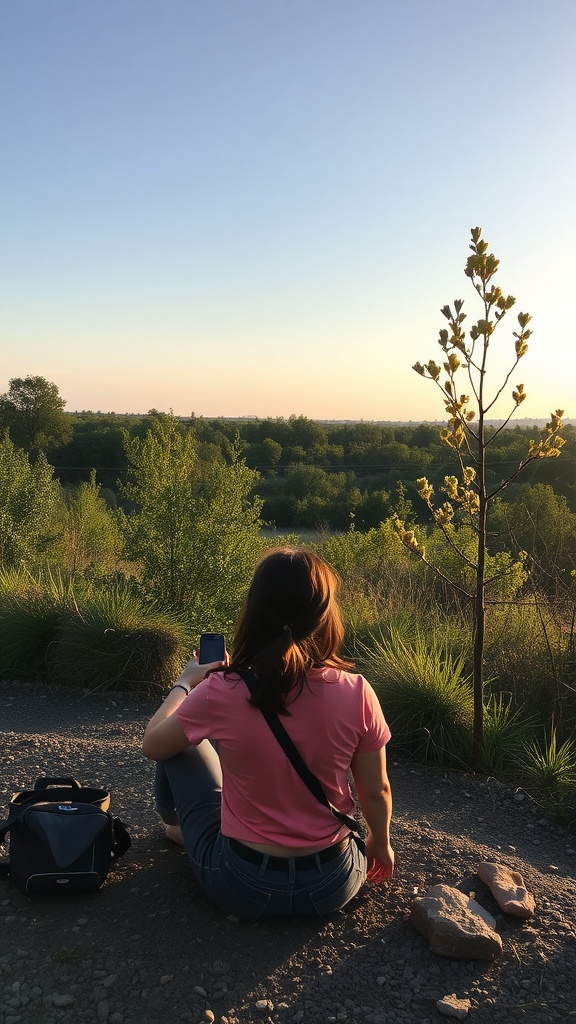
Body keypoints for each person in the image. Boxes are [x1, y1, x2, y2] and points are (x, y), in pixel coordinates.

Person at [143, 548, 394, 920]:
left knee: (183, 746)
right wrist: (380, 845)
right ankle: (187, 832)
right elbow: (376, 791)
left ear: (255, 612)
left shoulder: (220, 691)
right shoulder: (356, 691)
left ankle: (176, 826)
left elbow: (153, 745)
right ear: (323, 617)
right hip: (331, 884)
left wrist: (185, 684)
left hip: (242, 885)